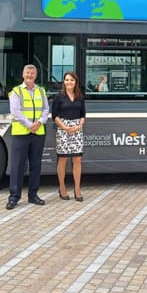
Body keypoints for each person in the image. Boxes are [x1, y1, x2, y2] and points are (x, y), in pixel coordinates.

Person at [6, 64, 49, 209]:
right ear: (23, 75)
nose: (30, 75)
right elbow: (15, 111)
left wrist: (40, 122)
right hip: (21, 133)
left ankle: (33, 195)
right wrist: (29, 124)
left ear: (35, 75)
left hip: (38, 133)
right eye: (27, 73)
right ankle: (14, 197)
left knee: (36, 165)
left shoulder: (41, 91)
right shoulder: (16, 91)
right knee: (18, 165)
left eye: (32, 73)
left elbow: (46, 109)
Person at [52, 71, 86, 201]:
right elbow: (54, 116)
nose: (69, 82)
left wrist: (79, 125)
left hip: (77, 129)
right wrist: (65, 127)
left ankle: (77, 189)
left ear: (75, 82)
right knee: (63, 160)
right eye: (66, 80)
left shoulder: (79, 97)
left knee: (77, 160)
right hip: (63, 129)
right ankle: (62, 187)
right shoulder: (58, 97)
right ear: (64, 82)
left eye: (72, 80)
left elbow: (83, 115)